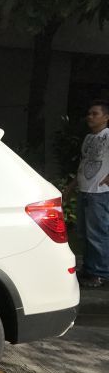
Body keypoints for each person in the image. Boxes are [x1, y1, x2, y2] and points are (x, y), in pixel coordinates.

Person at [64, 99, 109, 287]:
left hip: (99, 192)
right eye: (89, 113)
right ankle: (90, 269)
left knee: (98, 234)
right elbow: (83, 164)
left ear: (106, 117)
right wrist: (71, 186)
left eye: (95, 114)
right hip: (85, 191)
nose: (90, 117)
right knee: (84, 233)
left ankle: (101, 274)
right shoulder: (90, 138)